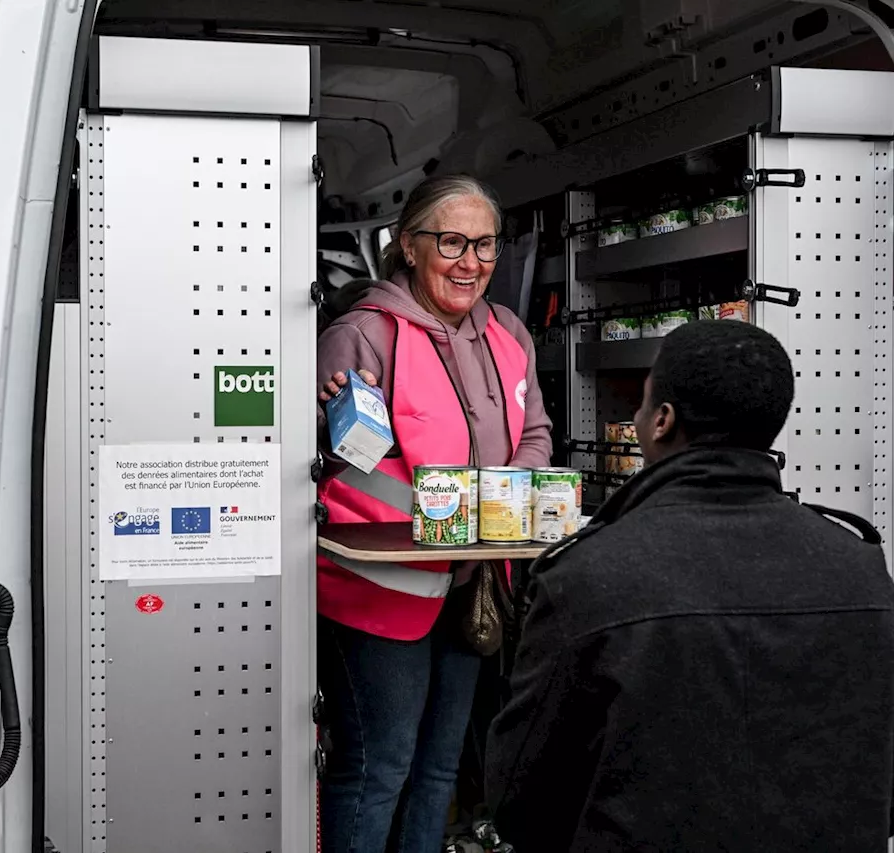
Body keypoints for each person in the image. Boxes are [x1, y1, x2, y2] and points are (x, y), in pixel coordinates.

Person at [484, 320, 894, 851]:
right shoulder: (861, 569)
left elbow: (522, 799)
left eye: (641, 403)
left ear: (662, 421)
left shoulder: (588, 577)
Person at [315, 174, 553, 853]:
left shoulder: (508, 333)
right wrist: (331, 417)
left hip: (473, 581)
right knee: (378, 767)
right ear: (408, 247)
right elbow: (324, 458)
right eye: (452, 241)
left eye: (484, 244)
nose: (471, 261)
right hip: (381, 588)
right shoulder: (361, 332)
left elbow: (535, 429)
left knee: (440, 766)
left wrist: (509, 491)